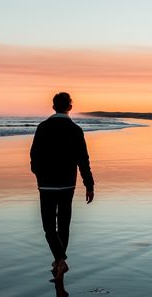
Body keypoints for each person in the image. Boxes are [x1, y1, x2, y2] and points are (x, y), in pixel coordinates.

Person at [30, 92, 94, 280]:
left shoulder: (43, 127)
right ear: (70, 107)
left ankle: (60, 261)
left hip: (47, 184)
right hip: (67, 184)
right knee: (64, 224)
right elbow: (83, 160)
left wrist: (39, 175)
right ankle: (60, 261)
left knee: (49, 226)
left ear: (53, 107)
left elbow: (34, 156)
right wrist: (89, 185)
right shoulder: (75, 130)